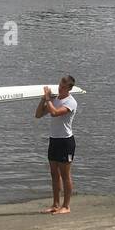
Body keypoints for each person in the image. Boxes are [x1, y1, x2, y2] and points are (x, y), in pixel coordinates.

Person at [36, 76, 78, 215]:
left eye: (64, 86)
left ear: (69, 88)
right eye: (60, 84)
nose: (60, 88)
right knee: (54, 174)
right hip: (54, 140)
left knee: (65, 175)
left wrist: (48, 99)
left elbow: (54, 113)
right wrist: (44, 99)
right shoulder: (55, 99)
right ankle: (55, 204)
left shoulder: (71, 102)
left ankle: (66, 206)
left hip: (66, 141)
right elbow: (38, 114)